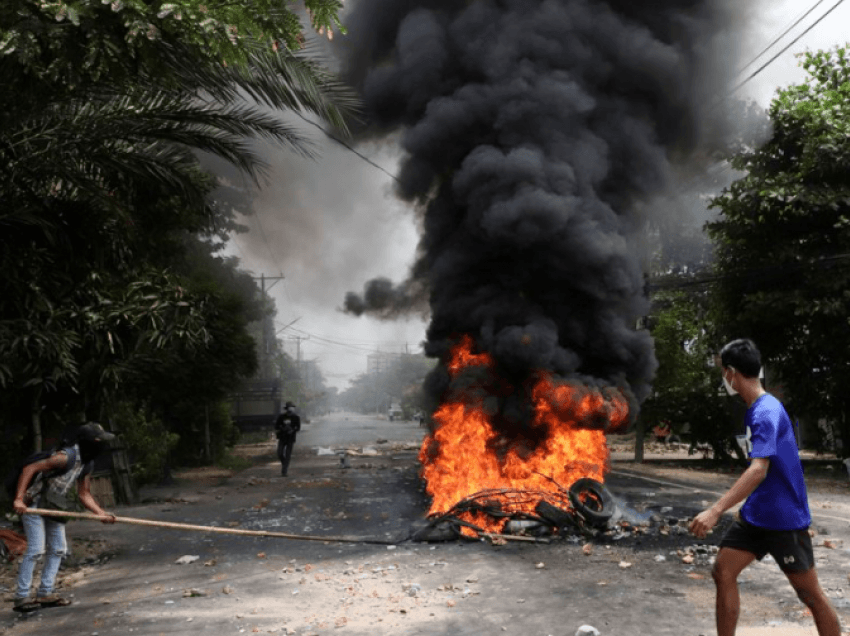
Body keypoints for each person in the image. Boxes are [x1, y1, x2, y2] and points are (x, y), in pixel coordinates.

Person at [689, 339, 840, 636]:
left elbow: (759, 470)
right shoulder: (756, 408)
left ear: (732, 372)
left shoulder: (765, 411)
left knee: (810, 596)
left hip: (784, 519)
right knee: (723, 570)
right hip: (757, 515)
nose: (724, 379)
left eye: (723, 372)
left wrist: (716, 509)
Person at [12, 422, 117, 613]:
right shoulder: (64, 457)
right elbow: (30, 469)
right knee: (36, 549)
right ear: (90, 443)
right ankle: (21, 596)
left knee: (59, 548)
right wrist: (19, 499)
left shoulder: (87, 463)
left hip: (53, 504)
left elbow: (84, 493)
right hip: (32, 503)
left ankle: (45, 593)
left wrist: (100, 513)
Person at [274, 402, 301, 477]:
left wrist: (292, 430)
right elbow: (276, 426)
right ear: (286, 408)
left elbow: (298, 428)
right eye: (289, 407)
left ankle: (284, 471)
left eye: (292, 407)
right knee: (280, 453)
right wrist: (282, 428)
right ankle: (284, 464)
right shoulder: (281, 417)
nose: (291, 409)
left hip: (290, 438)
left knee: (288, 454)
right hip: (282, 437)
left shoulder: (296, 417)